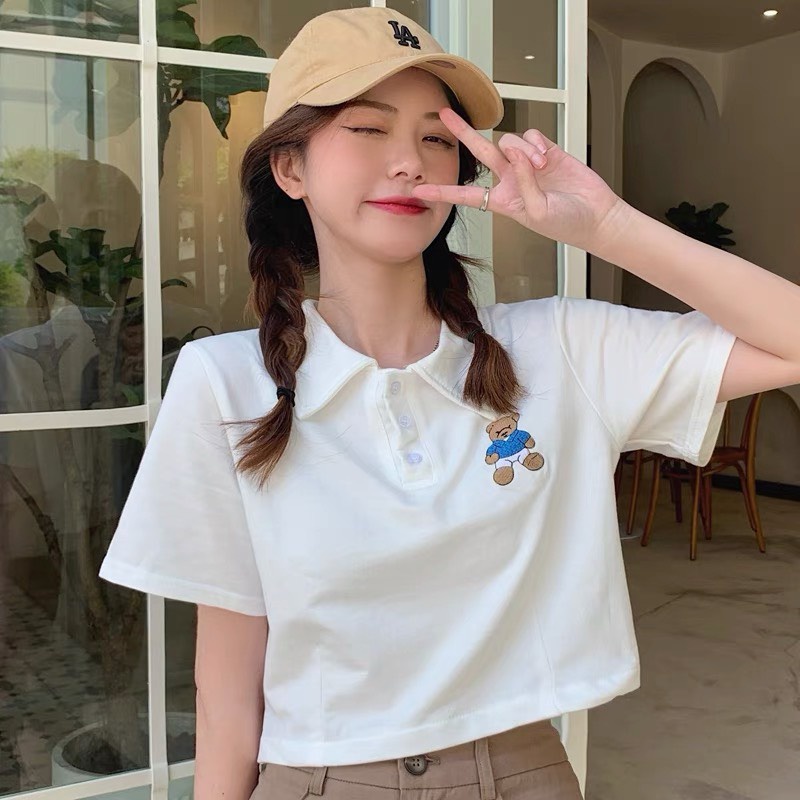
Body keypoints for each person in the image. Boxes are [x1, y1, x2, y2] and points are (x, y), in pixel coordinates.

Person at [98, 7, 800, 800]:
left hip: (523, 774)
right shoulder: (224, 381)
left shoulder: (559, 349)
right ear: (290, 168)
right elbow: (227, 694)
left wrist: (607, 226)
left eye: (435, 139)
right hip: (317, 779)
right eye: (367, 129)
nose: (408, 162)